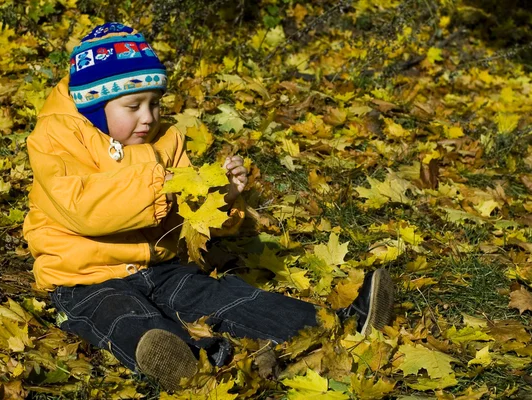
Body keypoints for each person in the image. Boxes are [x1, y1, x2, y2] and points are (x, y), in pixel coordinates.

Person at [23, 22, 394, 391]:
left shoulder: (165, 139)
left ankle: (339, 325)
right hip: (84, 276)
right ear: (95, 105)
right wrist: (163, 185)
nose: (148, 117)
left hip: (160, 265)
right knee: (122, 317)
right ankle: (189, 361)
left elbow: (193, 219)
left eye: (154, 103)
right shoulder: (55, 140)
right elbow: (81, 207)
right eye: (133, 106)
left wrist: (224, 196)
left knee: (225, 297)